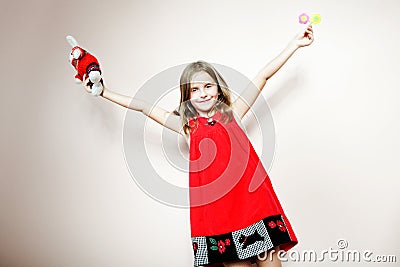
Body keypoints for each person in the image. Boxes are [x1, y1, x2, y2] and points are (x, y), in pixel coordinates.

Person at [80, 25, 314, 267]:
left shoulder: (233, 114)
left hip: (254, 204)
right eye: (195, 89)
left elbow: (263, 76)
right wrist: (104, 92)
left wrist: (294, 45)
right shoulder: (187, 126)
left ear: (218, 89)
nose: (202, 93)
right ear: (187, 95)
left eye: (208, 86)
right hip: (222, 216)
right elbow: (143, 107)